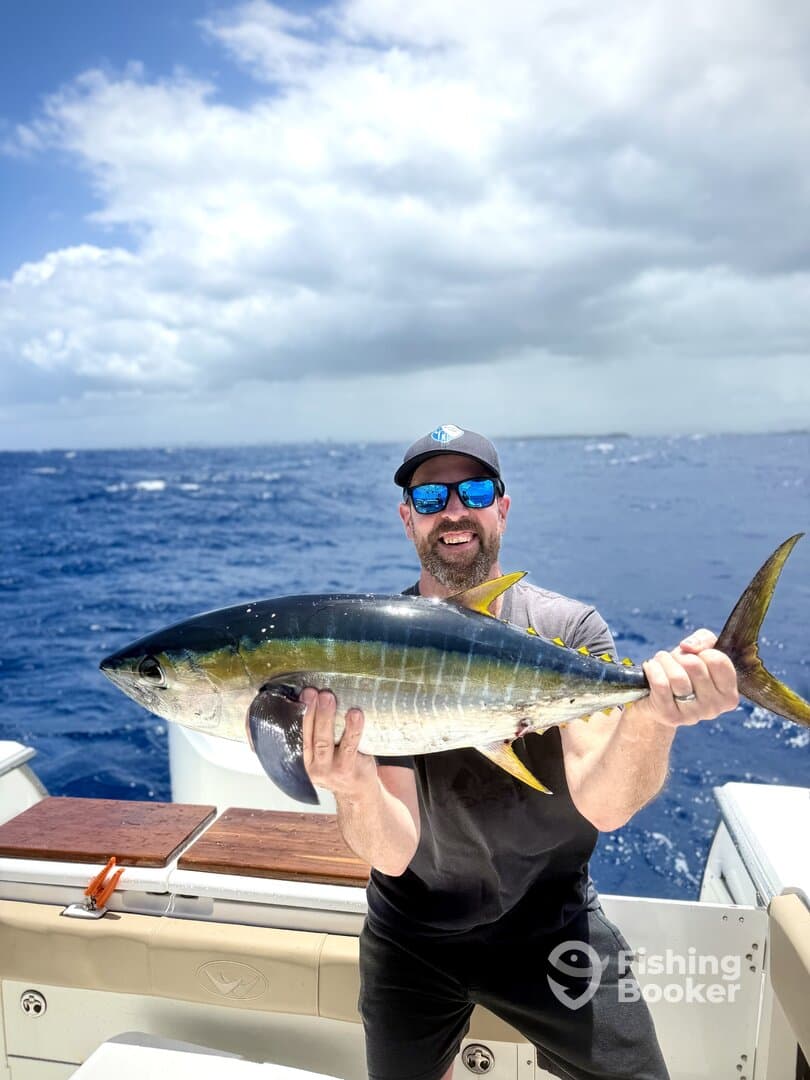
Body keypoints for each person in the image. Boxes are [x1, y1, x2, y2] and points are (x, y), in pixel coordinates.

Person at [299, 425, 739, 1080]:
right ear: (406, 518)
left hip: (553, 924)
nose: (453, 511)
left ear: (502, 506)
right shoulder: (376, 645)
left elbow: (605, 803)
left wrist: (652, 716)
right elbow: (392, 852)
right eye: (430, 498)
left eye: (474, 490)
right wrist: (350, 785)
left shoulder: (568, 630)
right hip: (413, 931)